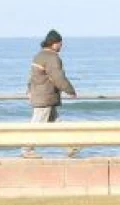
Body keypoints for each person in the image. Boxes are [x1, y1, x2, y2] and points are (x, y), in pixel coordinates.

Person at [21, 29, 78, 158]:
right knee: (37, 124)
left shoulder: (39, 56)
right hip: (45, 97)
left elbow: (32, 77)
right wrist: (70, 90)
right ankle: (27, 149)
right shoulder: (52, 58)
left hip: (41, 95)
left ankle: (71, 146)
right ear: (53, 43)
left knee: (56, 123)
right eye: (60, 43)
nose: (61, 46)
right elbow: (58, 77)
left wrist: (29, 89)